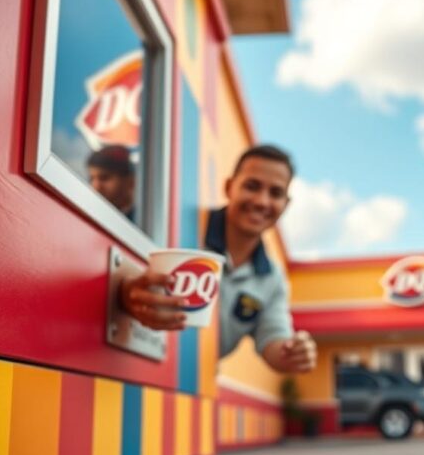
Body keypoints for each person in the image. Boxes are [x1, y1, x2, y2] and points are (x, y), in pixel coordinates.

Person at [119, 145, 317, 374]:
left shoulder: (272, 278)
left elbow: (275, 340)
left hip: (192, 386)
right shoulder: (174, 222)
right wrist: (125, 295)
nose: (262, 201)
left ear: (286, 204)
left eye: (275, 193)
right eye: (252, 186)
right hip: (123, 366)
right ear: (229, 187)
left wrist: (293, 354)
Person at [87, 145, 136, 221]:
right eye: (92, 179)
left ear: (130, 182)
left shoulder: (146, 222)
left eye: (104, 178)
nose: (96, 187)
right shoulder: (89, 218)